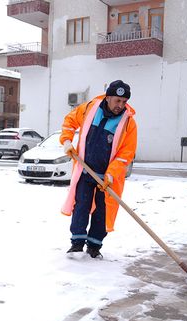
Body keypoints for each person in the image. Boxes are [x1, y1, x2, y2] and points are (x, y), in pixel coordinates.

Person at [60, 80, 137, 259]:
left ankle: (94, 247)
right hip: (85, 170)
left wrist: (110, 175)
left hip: (106, 178)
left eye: (124, 102)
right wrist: (66, 140)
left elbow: (126, 154)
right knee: (81, 206)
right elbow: (69, 121)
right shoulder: (90, 109)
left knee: (102, 212)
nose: (121, 105)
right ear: (108, 97)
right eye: (117, 100)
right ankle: (77, 245)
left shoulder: (128, 123)